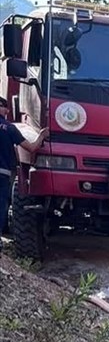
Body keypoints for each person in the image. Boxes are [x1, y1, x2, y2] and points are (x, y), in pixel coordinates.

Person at [0, 96, 48, 251]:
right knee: (1, 205)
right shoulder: (10, 129)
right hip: (3, 173)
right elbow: (32, 148)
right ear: (6, 110)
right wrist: (42, 136)